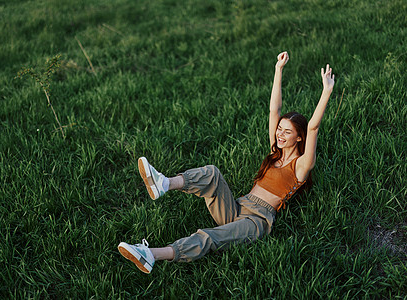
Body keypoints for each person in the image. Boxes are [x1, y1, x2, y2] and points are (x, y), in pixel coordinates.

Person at [118, 51, 335, 274]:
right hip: (238, 206)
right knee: (211, 173)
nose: (279, 134)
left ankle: (151, 255)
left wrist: (326, 91)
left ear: (299, 138)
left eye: (286, 132)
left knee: (210, 236)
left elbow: (313, 127)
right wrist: (278, 70)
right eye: (279, 129)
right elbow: (274, 110)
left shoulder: (301, 166)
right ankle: (163, 183)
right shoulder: (275, 152)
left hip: (257, 221)